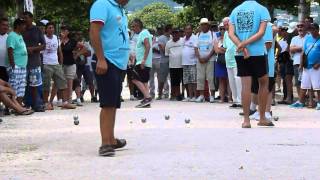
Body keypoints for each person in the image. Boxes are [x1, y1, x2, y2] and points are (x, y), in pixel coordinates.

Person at [90, 0, 129, 156]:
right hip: (107, 60)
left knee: (113, 103)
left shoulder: (120, 9)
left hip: (119, 63)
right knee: (107, 103)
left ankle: (111, 139)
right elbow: (94, 32)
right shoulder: (102, 4)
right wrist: (100, 58)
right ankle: (105, 144)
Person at [229, 0, 274, 128]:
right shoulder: (261, 9)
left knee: (245, 86)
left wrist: (241, 45)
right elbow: (261, 33)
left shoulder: (235, 10)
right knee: (264, 82)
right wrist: (244, 44)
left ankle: (246, 120)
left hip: (241, 53)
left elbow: (231, 33)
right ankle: (262, 117)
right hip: (258, 52)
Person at [42, 22, 75, 110]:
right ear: (46, 29)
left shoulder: (56, 38)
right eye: (49, 28)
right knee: (46, 84)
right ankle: (46, 103)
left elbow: (59, 51)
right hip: (46, 63)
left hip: (56, 64)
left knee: (62, 82)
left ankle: (65, 103)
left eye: (52, 28)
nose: (51, 29)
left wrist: (61, 62)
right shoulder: (43, 38)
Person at [290, 23, 320, 110]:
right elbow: (303, 51)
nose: (312, 31)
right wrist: (301, 64)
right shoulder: (308, 38)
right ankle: (300, 102)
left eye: (313, 29)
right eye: (310, 29)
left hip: (316, 66)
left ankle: (319, 103)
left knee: (317, 86)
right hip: (306, 66)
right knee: (304, 85)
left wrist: (318, 64)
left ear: (317, 29)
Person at [22, 11, 46, 112]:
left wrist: (33, 49)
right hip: (22, 62)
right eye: (23, 18)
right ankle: (26, 104)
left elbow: (44, 45)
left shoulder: (37, 30)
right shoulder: (21, 30)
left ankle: (37, 104)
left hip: (35, 61)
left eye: (26, 18)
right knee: (24, 84)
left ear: (31, 19)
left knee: (35, 84)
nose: (24, 20)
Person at [130, 18, 153, 108]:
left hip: (143, 62)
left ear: (138, 25)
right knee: (144, 81)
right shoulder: (141, 34)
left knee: (134, 79)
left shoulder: (144, 33)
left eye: (133, 26)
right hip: (142, 61)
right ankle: (146, 100)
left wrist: (143, 60)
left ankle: (147, 97)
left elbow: (148, 46)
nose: (132, 28)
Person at [195, 18, 217, 103]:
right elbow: (196, 48)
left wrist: (208, 57)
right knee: (200, 78)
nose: (203, 26)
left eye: (205, 24)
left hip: (210, 59)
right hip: (200, 60)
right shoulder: (198, 34)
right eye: (202, 24)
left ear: (208, 25)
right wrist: (199, 57)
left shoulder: (212, 34)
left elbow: (214, 48)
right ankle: (201, 95)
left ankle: (212, 95)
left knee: (210, 78)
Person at [6, 18, 28, 106]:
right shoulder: (12, 35)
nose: (25, 26)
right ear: (18, 26)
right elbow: (10, 51)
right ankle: (11, 107)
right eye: (23, 25)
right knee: (13, 88)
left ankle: (19, 106)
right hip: (16, 66)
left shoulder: (20, 36)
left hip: (22, 66)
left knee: (21, 88)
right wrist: (13, 65)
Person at [222, 17, 242, 108]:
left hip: (236, 59)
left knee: (238, 80)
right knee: (231, 81)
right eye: (224, 24)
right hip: (228, 59)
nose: (225, 26)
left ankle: (241, 100)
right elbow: (226, 46)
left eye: (227, 24)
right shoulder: (226, 33)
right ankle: (235, 100)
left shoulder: (236, 32)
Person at [60, 25, 80, 106]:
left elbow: (84, 48)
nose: (63, 32)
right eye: (62, 30)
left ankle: (69, 100)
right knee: (62, 82)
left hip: (71, 63)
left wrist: (77, 54)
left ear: (68, 32)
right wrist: (61, 40)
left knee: (70, 82)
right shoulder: (59, 41)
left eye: (65, 30)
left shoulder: (72, 41)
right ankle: (63, 100)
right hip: (61, 63)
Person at [165, 28, 183, 101]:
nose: (175, 34)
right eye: (173, 33)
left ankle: (180, 95)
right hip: (172, 65)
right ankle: (173, 95)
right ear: (171, 34)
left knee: (182, 81)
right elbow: (167, 53)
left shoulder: (183, 41)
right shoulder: (168, 43)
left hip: (182, 64)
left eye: (176, 33)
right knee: (173, 81)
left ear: (179, 34)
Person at [182, 25, 198, 102]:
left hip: (192, 62)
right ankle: (189, 96)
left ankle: (195, 96)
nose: (188, 31)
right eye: (186, 29)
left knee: (194, 80)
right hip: (185, 62)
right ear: (184, 30)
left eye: (189, 29)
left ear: (192, 30)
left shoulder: (195, 38)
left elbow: (196, 49)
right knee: (187, 80)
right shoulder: (184, 39)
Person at [290, 22, 307, 97]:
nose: (300, 28)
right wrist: (301, 48)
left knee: (306, 82)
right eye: (298, 26)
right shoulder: (294, 38)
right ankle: (300, 99)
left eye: (302, 26)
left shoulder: (309, 37)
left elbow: (308, 49)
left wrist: (296, 48)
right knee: (297, 82)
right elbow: (291, 49)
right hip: (296, 62)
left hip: (307, 63)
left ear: (305, 27)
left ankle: (306, 99)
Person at [215, 23, 230, 103]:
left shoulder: (230, 37)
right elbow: (216, 50)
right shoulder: (217, 39)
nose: (222, 30)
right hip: (220, 61)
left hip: (229, 60)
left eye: (224, 28)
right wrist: (225, 49)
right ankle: (222, 98)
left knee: (229, 80)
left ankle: (230, 98)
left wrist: (222, 49)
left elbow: (230, 49)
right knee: (221, 80)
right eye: (220, 29)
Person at [157, 25, 172, 100]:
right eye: (171, 30)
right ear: (168, 30)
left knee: (172, 78)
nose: (172, 31)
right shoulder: (161, 38)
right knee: (162, 79)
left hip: (172, 61)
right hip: (163, 61)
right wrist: (171, 51)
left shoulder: (172, 37)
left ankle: (173, 94)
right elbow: (163, 50)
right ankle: (159, 94)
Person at [0, 17, 9, 83]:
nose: (5, 27)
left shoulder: (10, 37)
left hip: (6, 68)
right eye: (3, 25)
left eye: (7, 25)